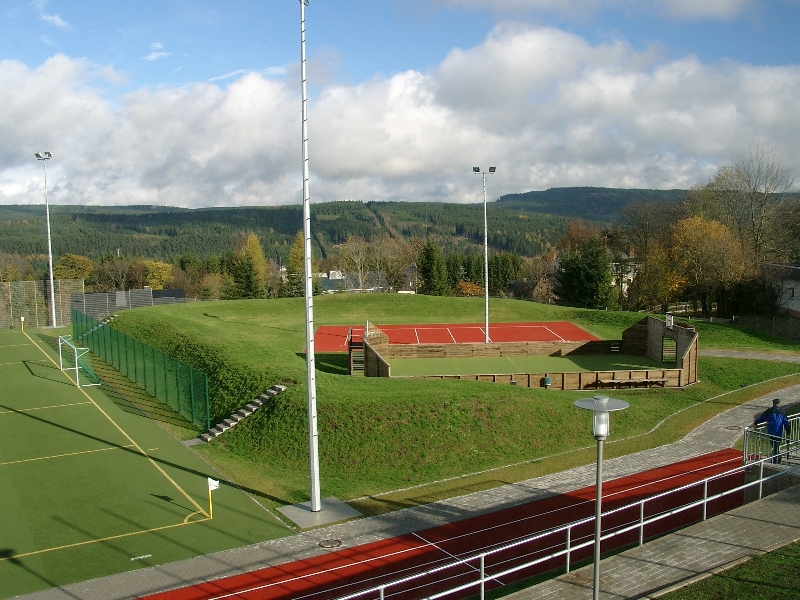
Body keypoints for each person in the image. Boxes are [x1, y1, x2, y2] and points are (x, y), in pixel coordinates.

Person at [753, 398, 791, 464]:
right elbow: (786, 423)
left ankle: (776, 459)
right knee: (776, 445)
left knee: (774, 445)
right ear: (779, 404)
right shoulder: (782, 412)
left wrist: (756, 423)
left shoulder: (769, 411)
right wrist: (788, 431)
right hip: (779, 432)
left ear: (773, 403)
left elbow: (762, 418)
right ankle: (777, 458)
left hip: (772, 432)